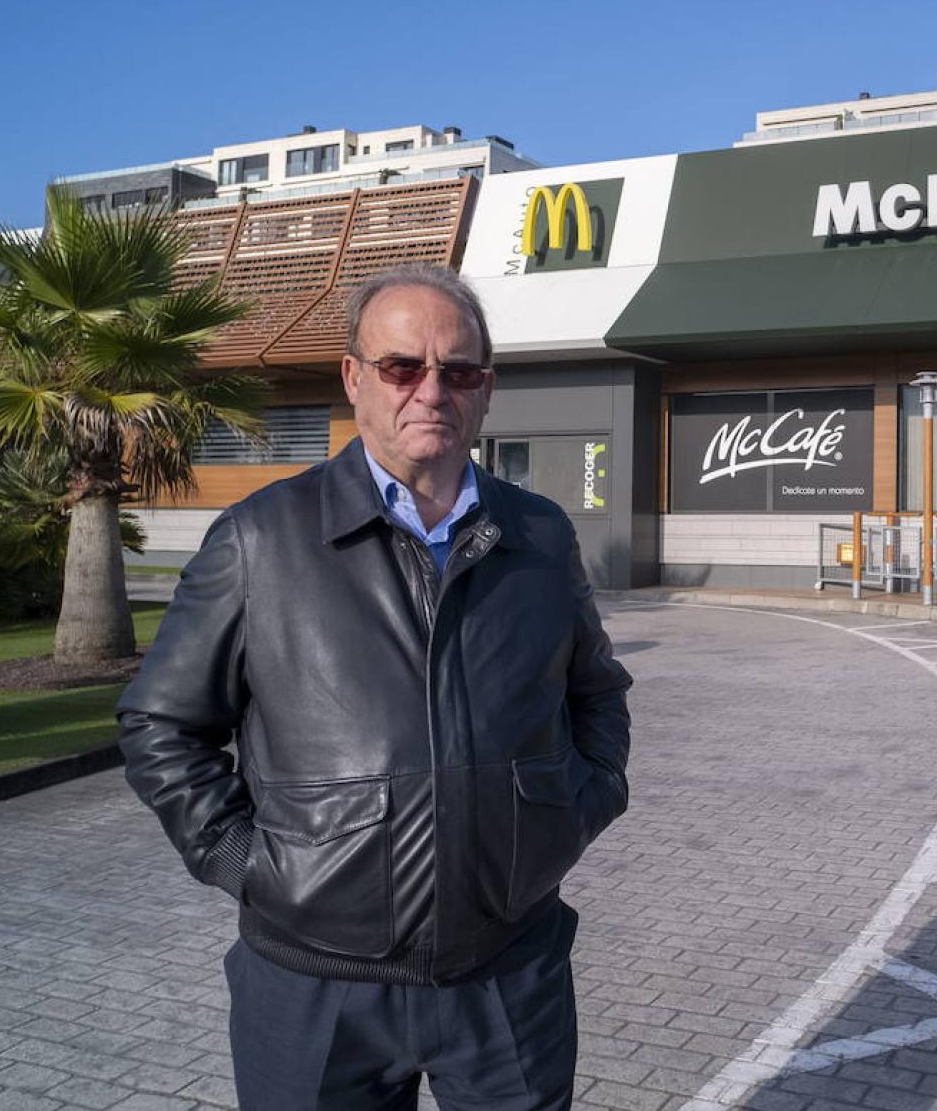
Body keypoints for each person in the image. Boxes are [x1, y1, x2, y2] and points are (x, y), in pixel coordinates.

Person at [118, 263, 631, 1110]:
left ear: (485, 390)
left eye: (457, 370)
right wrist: (248, 863)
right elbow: (161, 725)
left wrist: (584, 801)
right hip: (315, 985)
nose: (431, 390)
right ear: (354, 377)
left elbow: (596, 690)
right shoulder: (260, 538)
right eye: (403, 367)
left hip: (507, 969)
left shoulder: (537, 532)